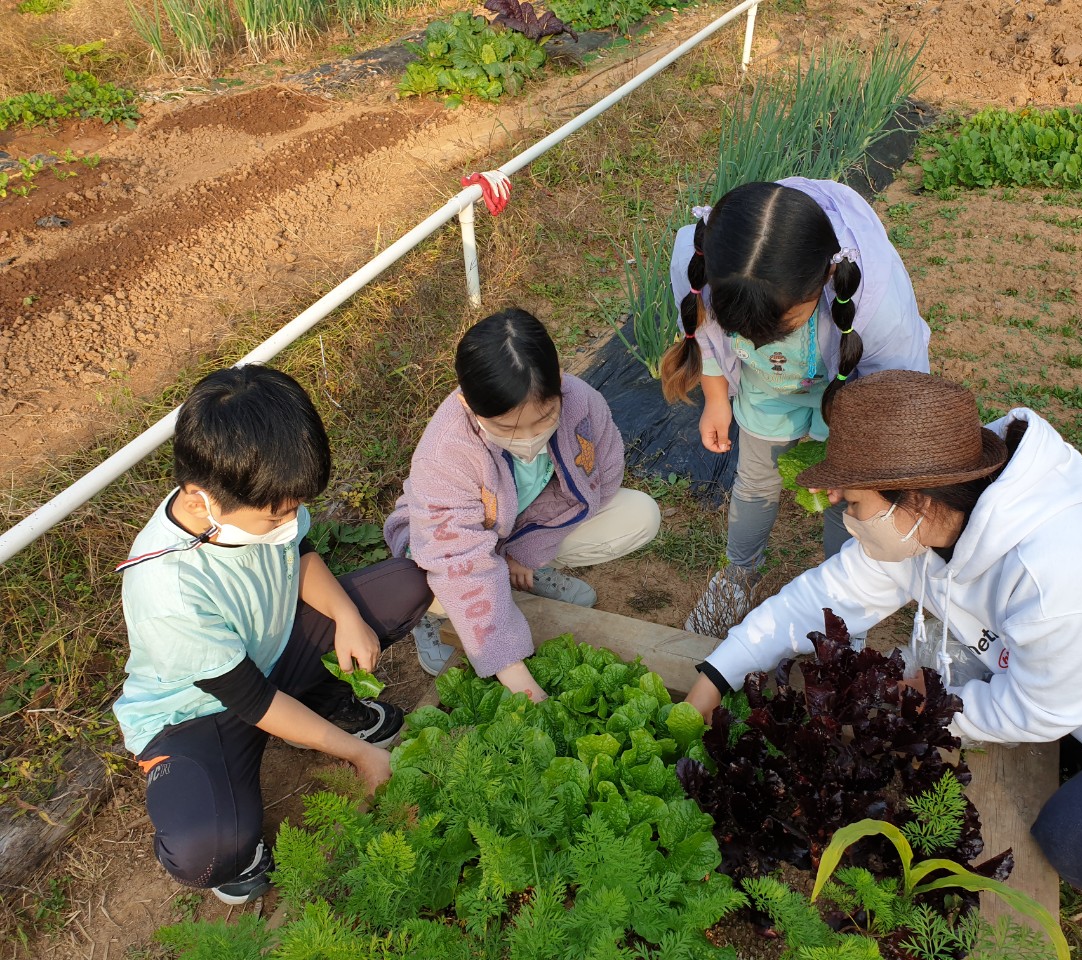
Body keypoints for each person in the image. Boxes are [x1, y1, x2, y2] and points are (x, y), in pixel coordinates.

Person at [685, 369, 1082, 960]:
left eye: (853, 497)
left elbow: (1040, 709)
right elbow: (819, 599)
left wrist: (930, 702)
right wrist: (716, 676)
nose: (840, 506)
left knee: (1081, 835)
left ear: (914, 498)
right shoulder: (938, 516)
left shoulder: (1061, 574)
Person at [113, 365, 430, 905]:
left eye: (296, 509)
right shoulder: (167, 590)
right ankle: (225, 793)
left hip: (274, 647)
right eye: (276, 517)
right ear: (199, 501)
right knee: (208, 853)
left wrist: (347, 617)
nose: (291, 522)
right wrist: (358, 755)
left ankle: (324, 702)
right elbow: (252, 699)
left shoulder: (256, 499)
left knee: (405, 585)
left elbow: (300, 553)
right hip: (199, 711)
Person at [662, 178, 931, 634]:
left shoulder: (878, 301)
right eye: (743, 329)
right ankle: (738, 575)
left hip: (847, 391)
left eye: (778, 325)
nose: (756, 338)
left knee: (844, 495)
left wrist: (859, 463)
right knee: (755, 481)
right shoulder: (701, 259)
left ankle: (844, 590)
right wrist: (715, 399)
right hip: (765, 387)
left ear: (825, 279)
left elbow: (894, 393)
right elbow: (705, 335)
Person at [385, 308, 661, 699]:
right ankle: (429, 617)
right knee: (438, 588)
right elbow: (456, 560)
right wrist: (514, 673)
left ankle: (523, 575)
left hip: (518, 528)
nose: (530, 438)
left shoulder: (583, 404)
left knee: (640, 514)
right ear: (469, 406)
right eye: (507, 429)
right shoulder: (445, 451)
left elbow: (602, 478)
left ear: (560, 385)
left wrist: (528, 552)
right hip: (442, 546)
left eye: (545, 417)